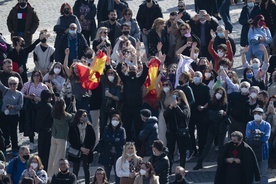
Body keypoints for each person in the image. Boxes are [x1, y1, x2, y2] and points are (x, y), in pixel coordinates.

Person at [116, 53, 148, 145]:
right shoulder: (125, 79)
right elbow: (118, 71)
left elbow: (145, 72)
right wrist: (121, 62)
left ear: (137, 70)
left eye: (134, 69)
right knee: (127, 127)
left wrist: (144, 62)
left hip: (137, 108)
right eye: (131, 69)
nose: (132, 70)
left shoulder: (139, 80)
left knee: (138, 127)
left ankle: (138, 145)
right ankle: (127, 143)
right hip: (127, 107)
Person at [193, 87, 228, 170]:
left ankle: (220, 163)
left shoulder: (224, 103)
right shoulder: (211, 102)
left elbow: (225, 114)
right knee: (207, 145)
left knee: (221, 146)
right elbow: (207, 113)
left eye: (221, 93)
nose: (219, 94)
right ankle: (200, 162)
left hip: (221, 127)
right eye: (218, 92)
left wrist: (222, 114)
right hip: (212, 126)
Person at [47, 99, 76, 179]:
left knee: (52, 156)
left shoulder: (53, 113)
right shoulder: (65, 115)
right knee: (59, 157)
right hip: (62, 138)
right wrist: (74, 105)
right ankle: (55, 174)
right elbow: (74, 115)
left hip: (54, 136)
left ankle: (49, 174)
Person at [163, 90, 191, 171]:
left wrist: (177, 106)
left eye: (177, 96)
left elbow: (183, 115)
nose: (175, 98)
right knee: (170, 151)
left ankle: (182, 168)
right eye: (174, 96)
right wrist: (171, 107)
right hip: (171, 131)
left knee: (182, 150)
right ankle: (169, 168)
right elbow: (165, 115)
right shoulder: (170, 106)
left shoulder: (184, 106)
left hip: (181, 131)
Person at [21, 70, 48, 151]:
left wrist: (39, 99)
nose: (36, 77)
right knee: (31, 124)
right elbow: (21, 93)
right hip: (30, 107)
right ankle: (31, 141)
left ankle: (40, 141)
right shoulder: (27, 85)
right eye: (35, 75)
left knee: (40, 123)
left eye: (38, 75)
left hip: (39, 107)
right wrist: (28, 96)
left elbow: (47, 97)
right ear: (32, 76)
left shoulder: (43, 86)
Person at [68, 109, 96, 184]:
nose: (85, 117)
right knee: (75, 169)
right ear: (79, 116)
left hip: (86, 151)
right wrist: (80, 148)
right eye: (84, 116)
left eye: (86, 116)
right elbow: (71, 139)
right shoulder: (73, 126)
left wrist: (88, 149)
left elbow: (93, 139)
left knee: (87, 169)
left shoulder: (89, 126)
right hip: (77, 150)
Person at [98, 114, 126, 183]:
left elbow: (123, 141)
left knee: (118, 173)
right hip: (107, 153)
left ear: (119, 121)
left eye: (116, 119)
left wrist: (111, 140)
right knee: (106, 173)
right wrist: (115, 140)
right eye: (113, 119)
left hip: (118, 153)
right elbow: (105, 139)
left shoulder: (122, 130)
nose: (114, 121)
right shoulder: (106, 128)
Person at [246, 107, 271, 184]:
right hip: (252, 150)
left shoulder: (267, 125)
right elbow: (248, 136)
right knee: (252, 172)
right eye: (255, 113)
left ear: (262, 115)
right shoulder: (250, 124)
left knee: (263, 173)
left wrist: (256, 135)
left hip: (263, 151)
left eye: (259, 113)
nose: (257, 115)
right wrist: (259, 134)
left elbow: (266, 137)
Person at [189, 71, 211, 157]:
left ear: (201, 78)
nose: (196, 77)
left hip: (202, 113)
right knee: (190, 132)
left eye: (198, 76)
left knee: (202, 132)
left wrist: (203, 107)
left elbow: (209, 100)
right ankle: (193, 149)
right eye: (195, 75)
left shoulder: (205, 88)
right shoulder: (190, 87)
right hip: (192, 112)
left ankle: (202, 150)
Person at [0, 77, 23, 155]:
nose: (12, 85)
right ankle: (4, 147)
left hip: (14, 115)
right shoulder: (5, 90)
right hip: (4, 115)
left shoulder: (19, 94)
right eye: (10, 84)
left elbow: (20, 106)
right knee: (4, 131)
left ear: (17, 84)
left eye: (14, 84)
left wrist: (12, 106)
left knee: (13, 132)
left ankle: (15, 148)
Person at [99, 63, 121, 134]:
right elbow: (102, 69)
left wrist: (111, 95)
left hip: (112, 105)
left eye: (112, 73)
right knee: (102, 124)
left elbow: (118, 98)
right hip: (104, 105)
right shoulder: (104, 82)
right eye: (109, 73)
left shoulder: (117, 86)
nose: (110, 75)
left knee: (113, 124)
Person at [35, 89, 53, 171]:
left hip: (41, 131)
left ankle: (40, 166)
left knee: (41, 150)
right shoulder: (48, 106)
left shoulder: (39, 105)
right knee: (47, 151)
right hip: (48, 131)